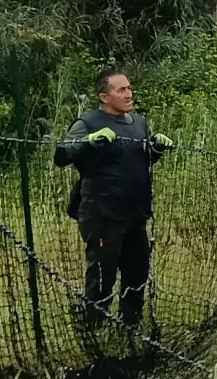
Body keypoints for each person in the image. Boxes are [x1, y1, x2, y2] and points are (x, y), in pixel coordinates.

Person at [53, 68, 171, 329]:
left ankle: (131, 327)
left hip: (135, 213)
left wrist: (156, 150)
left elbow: (139, 159)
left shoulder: (138, 123)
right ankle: (94, 327)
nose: (129, 94)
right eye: (122, 90)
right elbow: (61, 156)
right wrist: (88, 142)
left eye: (129, 88)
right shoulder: (88, 123)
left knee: (137, 272)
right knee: (103, 275)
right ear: (104, 97)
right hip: (102, 213)